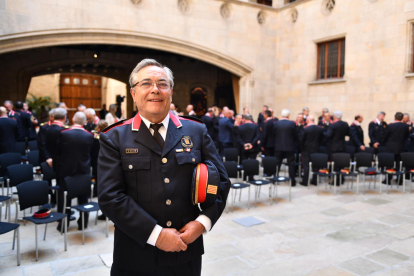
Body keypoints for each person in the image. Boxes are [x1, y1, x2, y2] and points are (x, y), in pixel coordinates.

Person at [98, 58, 230, 275]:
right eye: (146, 83)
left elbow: (221, 182)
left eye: (162, 84)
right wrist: (156, 234)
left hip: (186, 251)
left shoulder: (196, 131)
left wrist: (202, 222)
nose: (155, 90)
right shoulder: (114, 137)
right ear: (133, 93)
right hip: (134, 257)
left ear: (170, 91)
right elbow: (111, 197)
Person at [56, 112, 94, 231]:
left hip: (66, 169)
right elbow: (91, 154)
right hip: (83, 169)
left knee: (65, 198)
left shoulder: (64, 133)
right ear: (84, 122)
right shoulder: (89, 135)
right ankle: (83, 223)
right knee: (83, 197)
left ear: (73, 120)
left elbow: (58, 152)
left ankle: (63, 224)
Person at [383, 112, 410, 184]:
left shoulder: (390, 126)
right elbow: (407, 136)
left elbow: (385, 136)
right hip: (401, 147)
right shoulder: (406, 126)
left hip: (390, 148)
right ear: (401, 118)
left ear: (395, 117)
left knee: (389, 164)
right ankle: (399, 179)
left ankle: (388, 179)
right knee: (399, 165)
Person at [273, 109, 298, 186]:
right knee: (291, 164)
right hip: (290, 147)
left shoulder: (276, 124)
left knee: (277, 163)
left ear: (282, 115)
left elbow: (274, 135)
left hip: (278, 146)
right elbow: (295, 135)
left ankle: (275, 179)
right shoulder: (292, 124)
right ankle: (292, 181)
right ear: (288, 115)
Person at [324, 111, 349, 184]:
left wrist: (323, 132)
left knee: (336, 165)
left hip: (334, 147)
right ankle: (342, 179)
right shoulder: (345, 124)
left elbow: (328, 135)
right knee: (341, 163)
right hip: (343, 146)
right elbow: (348, 133)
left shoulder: (333, 125)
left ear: (334, 117)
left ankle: (337, 181)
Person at [300, 115, 323, 186]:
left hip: (306, 149)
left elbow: (301, 140)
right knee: (316, 165)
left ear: (308, 120)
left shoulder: (305, 129)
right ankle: (315, 180)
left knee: (306, 165)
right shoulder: (320, 129)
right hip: (316, 149)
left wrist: (301, 148)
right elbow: (322, 139)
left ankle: (305, 181)